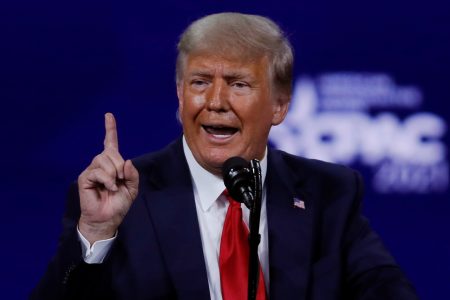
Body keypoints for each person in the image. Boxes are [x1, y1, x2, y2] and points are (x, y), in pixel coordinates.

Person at [31, 12, 418, 300]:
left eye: (238, 84)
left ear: (280, 105)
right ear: (181, 95)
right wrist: (96, 235)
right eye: (200, 82)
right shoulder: (120, 198)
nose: (216, 102)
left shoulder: (328, 193)